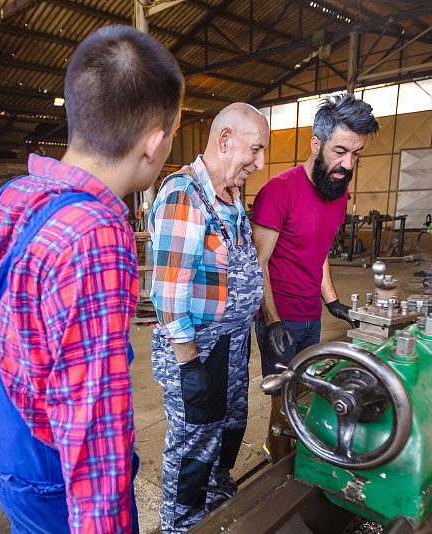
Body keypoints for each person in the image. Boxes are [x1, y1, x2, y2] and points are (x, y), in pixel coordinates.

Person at [0, 26, 183, 533]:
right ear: (153, 143)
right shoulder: (95, 237)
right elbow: (94, 428)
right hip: (47, 472)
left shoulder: (8, 198)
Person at [149, 102, 269, 533]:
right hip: (197, 349)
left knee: (230, 426)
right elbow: (168, 291)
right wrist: (189, 363)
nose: (258, 163)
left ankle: (216, 504)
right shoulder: (185, 195)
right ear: (224, 141)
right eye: (254, 150)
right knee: (194, 443)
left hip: (234, 342)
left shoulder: (232, 198)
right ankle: (180, 524)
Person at [251, 94, 380, 459]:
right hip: (280, 319)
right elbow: (258, 263)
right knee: (283, 397)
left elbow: (320, 251)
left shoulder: (338, 191)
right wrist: (272, 321)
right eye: (340, 151)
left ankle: (300, 455)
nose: (347, 163)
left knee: (308, 392)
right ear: (316, 143)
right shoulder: (279, 191)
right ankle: (276, 457)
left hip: (310, 316)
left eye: (355, 154)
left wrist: (332, 300)